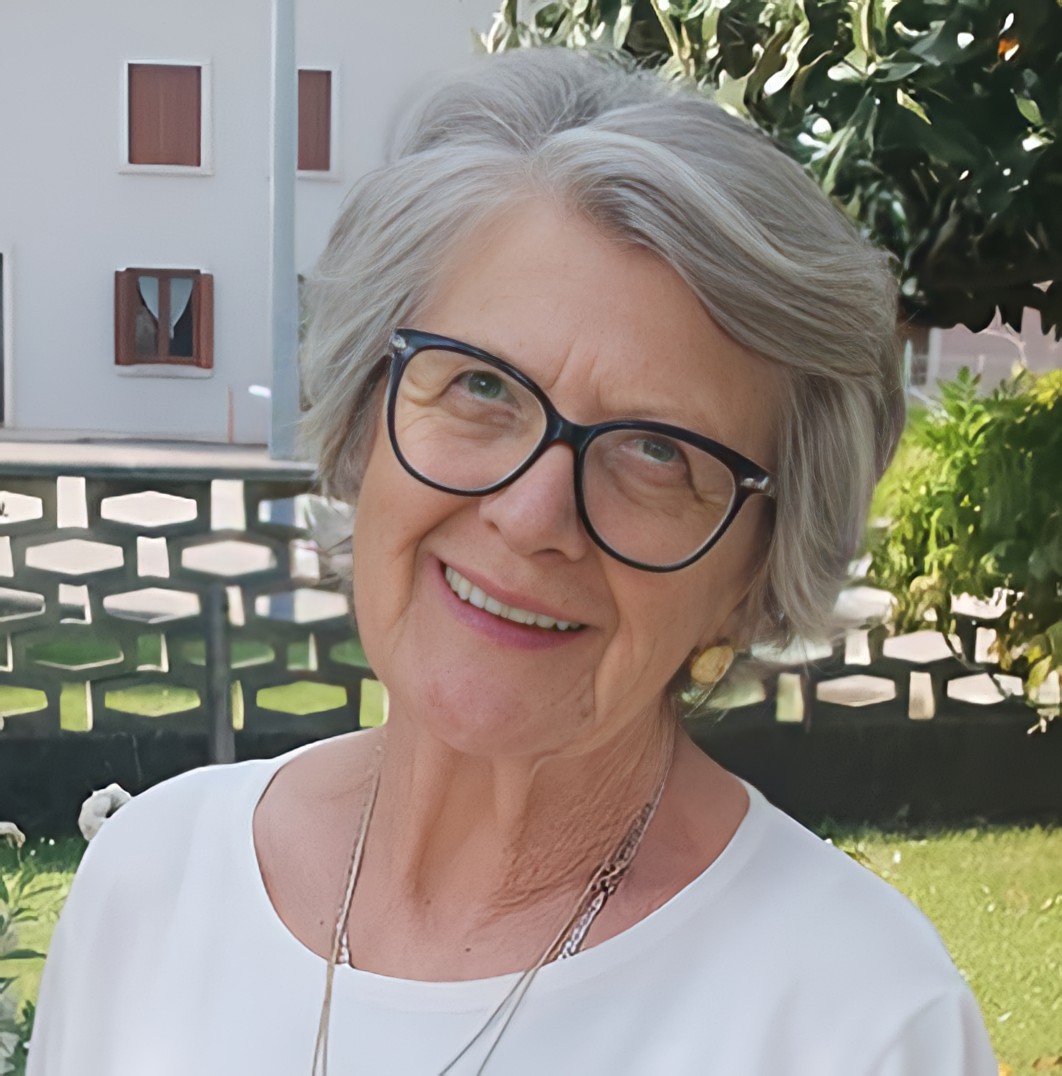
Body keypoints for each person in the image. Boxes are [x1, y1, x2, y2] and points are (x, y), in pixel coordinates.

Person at [28, 48, 997, 1075]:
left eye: (657, 452)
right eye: (482, 386)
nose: (534, 515)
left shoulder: (859, 1024)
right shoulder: (154, 886)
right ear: (363, 420)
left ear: (754, 574)